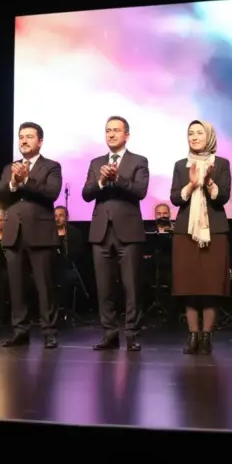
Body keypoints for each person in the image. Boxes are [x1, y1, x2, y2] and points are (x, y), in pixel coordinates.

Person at [82, 115, 149, 351]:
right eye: (108, 130)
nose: (111, 134)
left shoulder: (139, 161)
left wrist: (117, 178)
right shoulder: (96, 163)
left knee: (132, 287)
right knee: (104, 288)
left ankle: (132, 334)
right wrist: (101, 181)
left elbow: (140, 191)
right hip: (101, 232)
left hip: (128, 232)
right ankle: (109, 333)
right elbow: (86, 194)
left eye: (116, 130)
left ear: (126, 135)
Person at [0, 121, 62, 348]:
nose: (24, 140)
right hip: (14, 234)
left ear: (40, 141)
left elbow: (51, 193)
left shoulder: (51, 166)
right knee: (17, 287)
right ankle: (20, 331)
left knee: (44, 286)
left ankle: (49, 331)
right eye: (21, 136)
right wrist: (13, 183)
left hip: (40, 234)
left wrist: (26, 181)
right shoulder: (9, 168)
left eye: (29, 136)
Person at [170, 120, 231, 354]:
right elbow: (175, 198)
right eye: (191, 133)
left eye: (199, 133)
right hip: (186, 231)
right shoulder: (180, 165)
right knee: (189, 285)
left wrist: (208, 182)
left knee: (210, 286)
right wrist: (192, 184)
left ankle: (206, 337)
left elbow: (223, 197)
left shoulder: (221, 164)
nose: (194, 137)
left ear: (210, 137)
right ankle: (193, 335)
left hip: (214, 231)